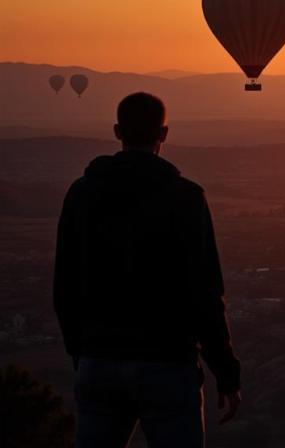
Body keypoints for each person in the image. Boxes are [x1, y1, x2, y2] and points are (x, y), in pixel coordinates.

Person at [53, 92, 241, 447]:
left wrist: (82, 349)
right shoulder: (185, 197)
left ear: (116, 131)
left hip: (99, 359)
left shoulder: (81, 193)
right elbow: (205, 293)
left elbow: (64, 284)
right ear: (164, 134)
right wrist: (227, 373)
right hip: (167, 363)